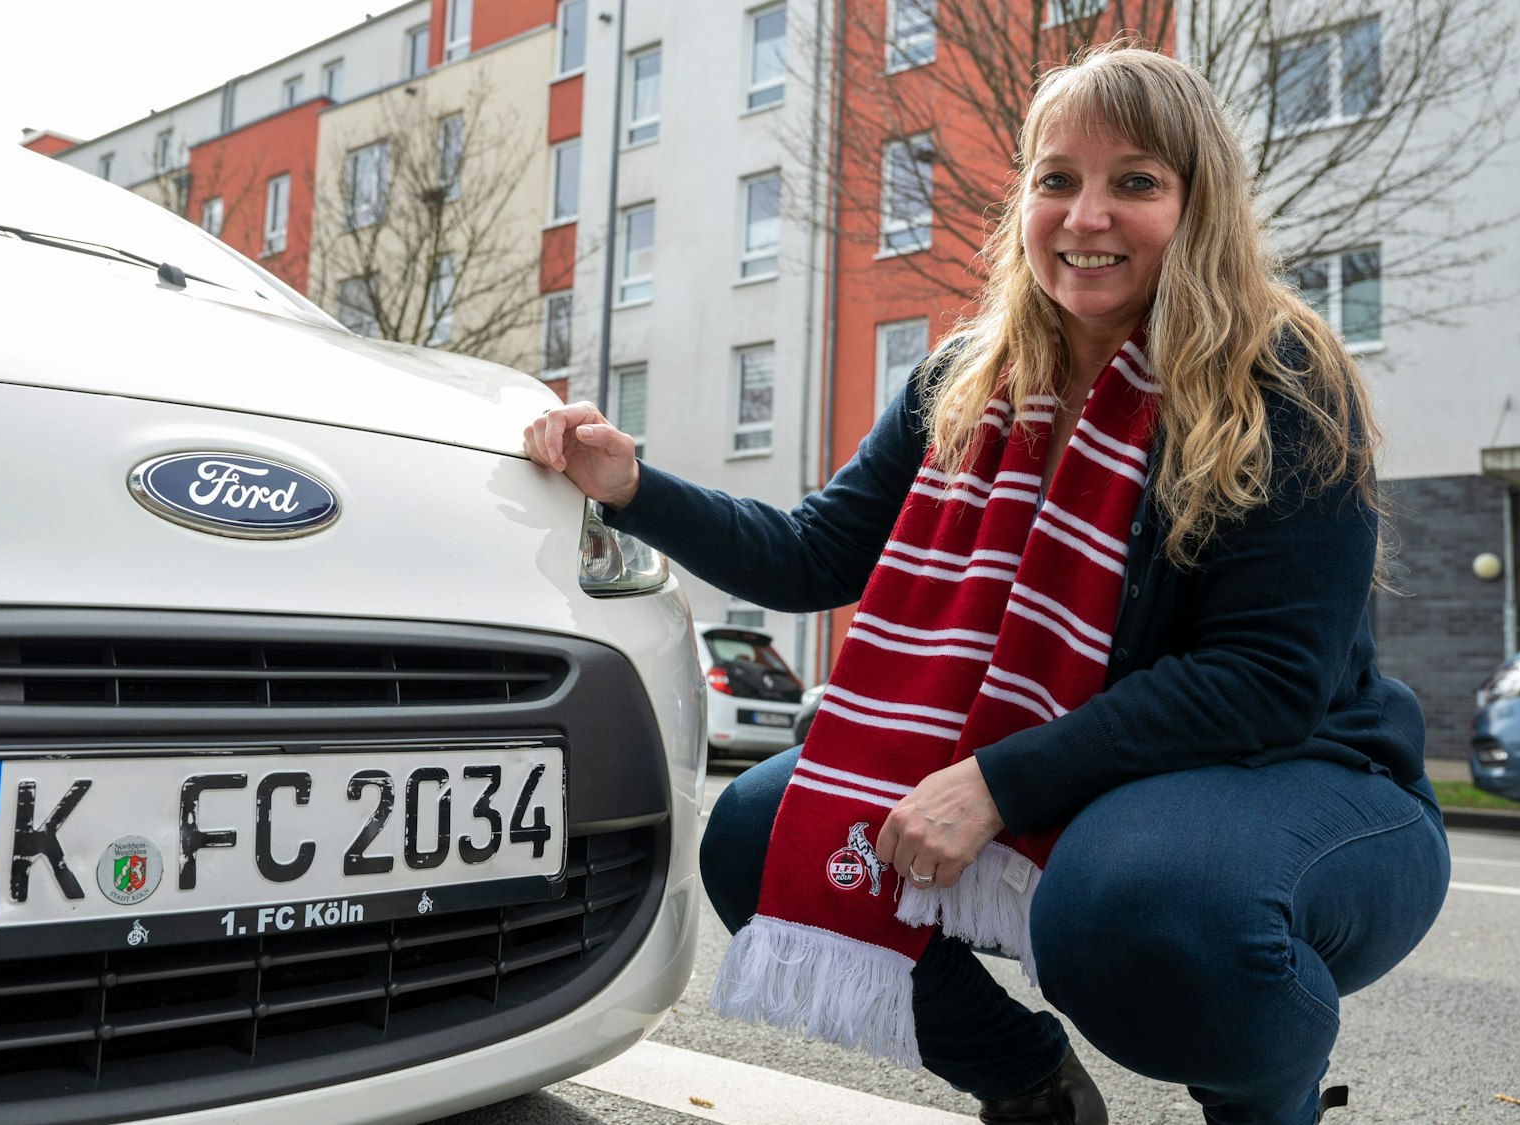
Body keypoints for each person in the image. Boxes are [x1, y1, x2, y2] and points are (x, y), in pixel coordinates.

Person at [522, 44, 1447, 1125]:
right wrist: (630, 486)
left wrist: (996, 781)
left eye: (1133, 183)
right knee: (762, 829)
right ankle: (1025, 1086)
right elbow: (812, 555)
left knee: (1143, 906)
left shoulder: (1279, 382)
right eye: (1055, 179)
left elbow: (1262, 680)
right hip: (1084, 766)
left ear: (1199, 206)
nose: (1084, 215)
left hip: (1304, 778)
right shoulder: (961, 380)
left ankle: (1268, 1100)